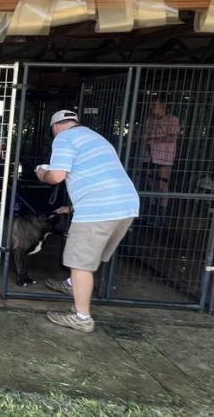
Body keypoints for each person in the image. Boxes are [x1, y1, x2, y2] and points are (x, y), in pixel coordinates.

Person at [36, 110, 139, 333]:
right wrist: (72, 207)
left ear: (55, 127)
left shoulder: (64, 138)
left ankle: (82, 317)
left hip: (99, 209)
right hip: (126, 205)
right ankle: (72, 284)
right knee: (89, 257)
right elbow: (99, 176)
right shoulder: (95, 138)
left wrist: (41, 172)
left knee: (80, 262)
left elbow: (57, 177)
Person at [140, 99, 180, 210]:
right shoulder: (149, 120)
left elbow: (173, 137)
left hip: (164, 157)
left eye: (154, 105)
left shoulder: (172, 119)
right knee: (151, 183)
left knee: (162, 184)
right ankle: (153, 209)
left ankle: (162, 209)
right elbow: (145, 134)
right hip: (149, 155)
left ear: (162, 106)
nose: (152, 107)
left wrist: (155, 140)